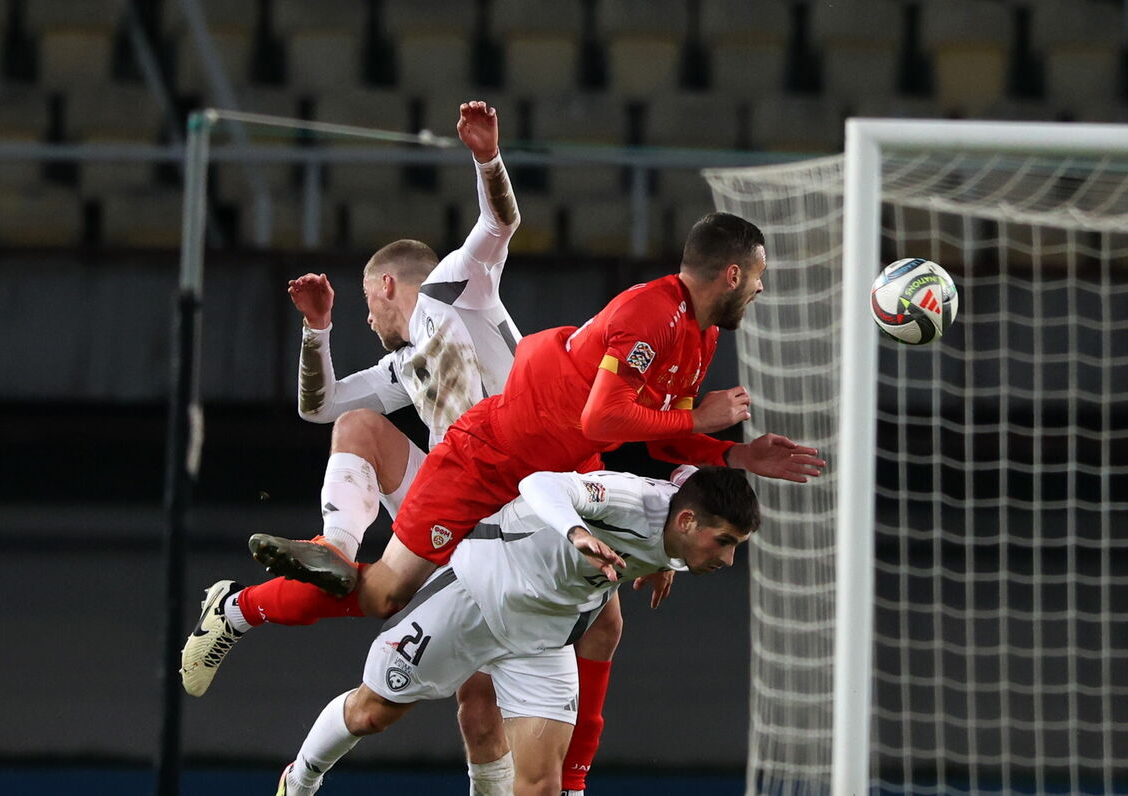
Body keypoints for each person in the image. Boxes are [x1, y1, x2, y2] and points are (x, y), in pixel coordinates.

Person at [253, 211, 827, 794]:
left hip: (541, 593)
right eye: (758, 276)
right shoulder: (647, 315)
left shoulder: (697, 336)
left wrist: (736, 456)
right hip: (489, 459)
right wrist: (486, 159)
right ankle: (256, 633)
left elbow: (663, 444)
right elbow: (600, 418)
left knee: (530, 732)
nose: (761, 287)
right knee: (380, 611)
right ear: (732, 274)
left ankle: (575, 783)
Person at [181, 100, 529, 795]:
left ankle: (238, 608)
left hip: (521, 513)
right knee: (358, 437)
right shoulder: (403, 367)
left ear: (387, 286)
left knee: (478, 707)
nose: (367, 321)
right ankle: (335, 544)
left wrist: (487, 158)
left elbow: (501, 223)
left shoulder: (459, 287)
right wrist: (318, 332)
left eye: (366, 308)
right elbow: (321, 407)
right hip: (461, 499)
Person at [274, 465, 762, 796]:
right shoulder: (631, 501)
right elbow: (541, 485)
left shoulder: (683, 521)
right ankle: (299, 781)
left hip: (543, 640)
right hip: (480, 592)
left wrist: (669, 558)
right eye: (723, 542)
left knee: (540, 786)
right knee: (371, 714)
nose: (727, 558)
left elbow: (687, 475)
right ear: (688, 518)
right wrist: (576, 532)